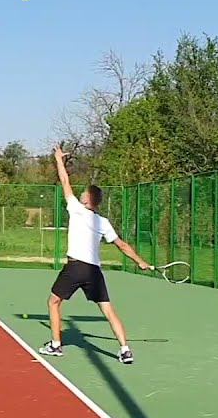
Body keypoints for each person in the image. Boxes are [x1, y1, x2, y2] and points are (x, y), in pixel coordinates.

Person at [39, 145, 151, 363]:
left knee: (53, 302)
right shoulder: (103, 222)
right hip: (94, 271)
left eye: (83, 193)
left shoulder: (76, 209)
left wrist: (59, 160)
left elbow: (64, 180)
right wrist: (141, 262)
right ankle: (125, 350)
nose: (80, 194)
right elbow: (122, 245)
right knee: (108, 310)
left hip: (75, 267)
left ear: (87, 200)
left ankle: (56, 345)